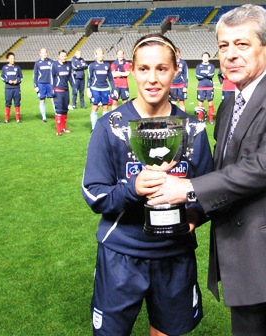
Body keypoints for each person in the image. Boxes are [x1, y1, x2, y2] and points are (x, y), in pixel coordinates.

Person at [147, 5, 266, 335]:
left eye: (242, 44)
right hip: (243, 267)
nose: (230, 55)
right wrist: (196, 212)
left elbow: (263, 167)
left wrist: (188, 188)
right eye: (224, 46)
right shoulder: (229, 104)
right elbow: (227, 172)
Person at [82, 33, 213, 336]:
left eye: (161, 68)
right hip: (121, 254)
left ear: (176, 70)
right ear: (131, 70)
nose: (152, 79)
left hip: (174, 255)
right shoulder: (110, 127)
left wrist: (194, 216)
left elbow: (209, 190)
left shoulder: (193, 129)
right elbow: (94, 193)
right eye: (144, 69)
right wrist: (134, 188)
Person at [87, 48, 117, 131]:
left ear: (103, 55)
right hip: (95, 89)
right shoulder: (92, 66)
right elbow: (89, 78)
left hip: (105, 89)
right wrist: (88, 89)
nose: (100, 56)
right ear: (95, 55)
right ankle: (94, 127)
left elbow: (110, 78)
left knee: (105, 108)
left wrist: (114, 88)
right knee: (95, 107)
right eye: (98, 54)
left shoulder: (107, 65)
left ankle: (104, 127)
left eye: (101, 54)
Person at [51, 50, 73, 135]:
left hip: (66, 91)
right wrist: (52, 90)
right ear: (58, 56)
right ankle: (58, 129)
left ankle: (64, 127)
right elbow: (51, 77)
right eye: (62, 56)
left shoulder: (68, 65)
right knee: (59, 110)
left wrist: (73, 86)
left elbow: (70, 77)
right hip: (58, 91)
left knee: (65, 109)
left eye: (65, 56)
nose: (64, 57)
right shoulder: (55, 65)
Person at [1, 52, 23, 123]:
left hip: (16, 88)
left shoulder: (17, 67)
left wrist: (17, 81)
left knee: (17, 103)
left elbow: (21, 77)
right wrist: (7, 81)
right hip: (8, 88)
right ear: (8, 59)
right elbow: (2, 77)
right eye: (11, 59)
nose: (12, 60)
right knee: (8, 103)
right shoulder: (5, 68)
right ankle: (7, 119)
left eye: (13, 58)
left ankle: (18, 119)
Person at [33, 48, 54, 122]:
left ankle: (57, 115)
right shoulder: (37, 63)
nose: (44, 54)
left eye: (45, 52)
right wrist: (35, 86)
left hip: (50, 84)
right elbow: (35, 75)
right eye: (42, 52)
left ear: (47, 53)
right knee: (42, 100)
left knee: (53, 99)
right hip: (41, 84)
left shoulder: (51, 62)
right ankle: (44, 117)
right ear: (40, 54)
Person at [195, 52, 215, 124]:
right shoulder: (198, 66)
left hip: (209, 87)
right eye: (204, 57)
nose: (205, 58)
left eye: (207, 57)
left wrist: (203, 74)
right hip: (201, 86)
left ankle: (211, 119)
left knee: (210, 103)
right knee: (200, 103)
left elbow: (211, 75)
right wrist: (206, 74)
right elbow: (198, 76)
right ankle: (200, 119)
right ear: (202, 58)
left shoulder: (212, 66)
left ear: (209, 58)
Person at [169, 47, 188, 112]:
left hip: (181, 85)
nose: (176, 54)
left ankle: (183, 119)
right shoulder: (170, 62)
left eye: (177, 52)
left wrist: (185, 86)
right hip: (172, 85)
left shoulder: (183, 63)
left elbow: (186, 74)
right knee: (171, 103)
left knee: (181, 102)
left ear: (179, 53)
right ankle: (172, 118)